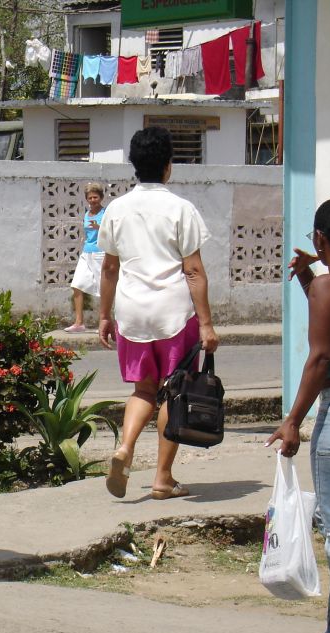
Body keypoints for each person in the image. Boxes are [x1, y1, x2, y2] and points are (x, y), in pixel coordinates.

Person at [97, 126, 219, 500]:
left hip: (132, 314)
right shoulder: (181, 209)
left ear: (134, 165)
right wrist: (207, 324)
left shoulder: (116, 209)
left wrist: (104, 315)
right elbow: (194, 270)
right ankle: (162, 478)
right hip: (173, 314)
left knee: (143, 390)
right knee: (174, 392)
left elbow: (109, 269)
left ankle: (125, 448)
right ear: (169, 166)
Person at [266, 199, 330, 633]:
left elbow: (322, 356)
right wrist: (311, 278)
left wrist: (292, 421)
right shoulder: (323, 286)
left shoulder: (329, 287)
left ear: (322, 240)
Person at [64, 181, 107, 333]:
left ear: (101, 197)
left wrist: (100, 227)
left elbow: (113, 232)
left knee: (104, 288)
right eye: (90, 197)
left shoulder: (106, 213)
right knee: (77, 284)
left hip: (100, 253)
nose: (93, 200)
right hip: (86, 253)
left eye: (95, 197)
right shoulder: (87, 214)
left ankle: (104, 322)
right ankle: (79, 323)